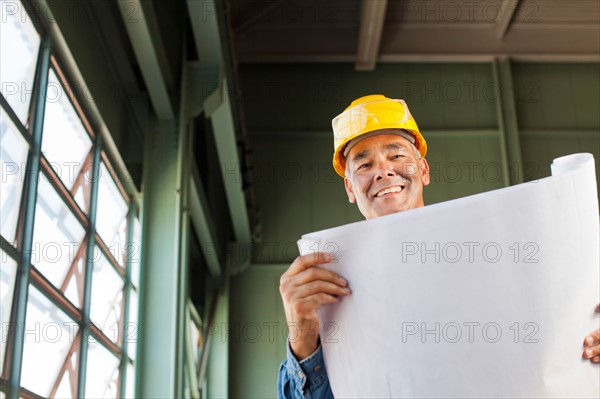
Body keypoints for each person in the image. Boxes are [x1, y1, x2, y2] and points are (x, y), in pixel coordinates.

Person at [276, 94, 600, 398]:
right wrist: (302, 338)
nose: (383, 171)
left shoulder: (494, 246)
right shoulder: (326, 292)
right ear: (350, 188)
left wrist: (587, 327)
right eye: (364, 165)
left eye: (397, 155)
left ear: (424, 170)